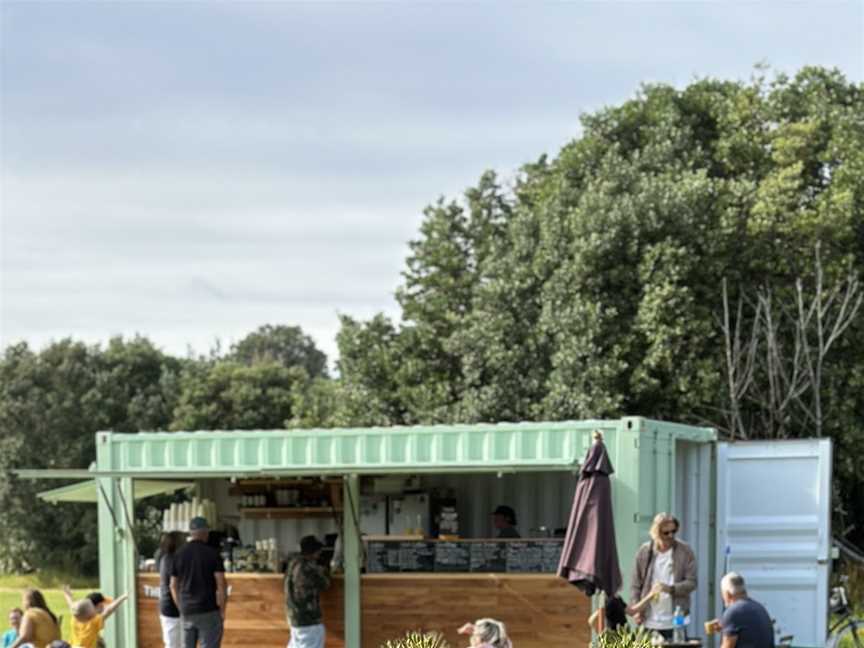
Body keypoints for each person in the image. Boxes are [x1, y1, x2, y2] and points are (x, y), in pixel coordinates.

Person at [627, 512, 697, 639]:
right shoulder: (645, 551)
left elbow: (692, 583)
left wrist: (670, 588)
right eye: (666, 533)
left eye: (673, 531)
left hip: (676, 621)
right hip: (649, 620)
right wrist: (637, 610)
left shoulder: (685, 551)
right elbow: (635, 585)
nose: (671, 536)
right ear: (656, 532)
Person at [170, 517, 227, 648]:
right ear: (206, 532)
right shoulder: (213, 553)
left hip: (187, 611)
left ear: (191, 533)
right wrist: (223, 610)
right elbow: (221, 584)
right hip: (208, 610)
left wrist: (181, 607)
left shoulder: (179, 554)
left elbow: (173, 585)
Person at [284, 535, 331, 648]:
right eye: (318, 550)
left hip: (294, 616)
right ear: (313, 551)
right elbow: (325, 584)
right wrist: (325, 569)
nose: (319, 553)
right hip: (308, 619)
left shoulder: (293, 563)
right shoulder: (307, 567)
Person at [706, 572, 775, 648]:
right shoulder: (759, 608)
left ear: (727, 594)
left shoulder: (732, 612)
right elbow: (748, 630)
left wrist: (728, 623)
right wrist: (726, 626)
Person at [62, 585, 128, 648]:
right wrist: (123, 597)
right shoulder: (94, 621)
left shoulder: (75, 616)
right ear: (98, 606)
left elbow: (71, 605)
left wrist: (67, 595)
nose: (104, 607)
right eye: (102, 606)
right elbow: (109, 610)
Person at [159, 531, 185, 648]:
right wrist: (181, 608)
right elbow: (173, 586)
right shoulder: (175, 560)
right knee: (174, 645)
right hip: (173, 608)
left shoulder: (165, 558)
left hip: (168, 607)